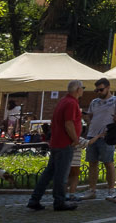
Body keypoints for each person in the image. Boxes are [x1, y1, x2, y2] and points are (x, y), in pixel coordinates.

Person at [28, 81, 84, 210]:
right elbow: (68, 123)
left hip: (56, 142)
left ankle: (35, 198)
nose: (83, 91)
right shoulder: (71, 103)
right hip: (65, 143)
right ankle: (59, 201)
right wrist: (75, 139)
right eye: (82, 88)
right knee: (61, 175)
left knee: (49, 173)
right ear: (78, 89)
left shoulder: (63, 101)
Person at [83, 80, 116, 199]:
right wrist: (90, 124)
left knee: (108, 162)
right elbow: (90, 115)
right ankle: (92, 190)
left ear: (108, 88)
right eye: (97, 90)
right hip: (92, 135)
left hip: (107, 137)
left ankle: (111, 190)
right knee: (92, 163)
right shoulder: (94, 102)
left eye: (101, 89)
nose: (99, 92)